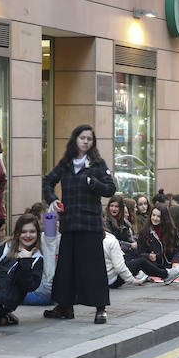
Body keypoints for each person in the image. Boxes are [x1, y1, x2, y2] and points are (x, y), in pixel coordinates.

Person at [42, 124, 117, 324]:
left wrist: (94, 184)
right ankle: (65, 306)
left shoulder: (97, 164)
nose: (85, 141)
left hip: (90, 224)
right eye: (82, 137)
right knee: (66, 267)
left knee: (94, 267)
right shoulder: (66, 164)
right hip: (69, 223)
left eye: (89, 139)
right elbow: (47, 182)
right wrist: (52, 201)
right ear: (75, 139)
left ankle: (100, 308)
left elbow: (111, 188)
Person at [126, 205, 179, 284]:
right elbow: (140, 253)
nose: (155, 218)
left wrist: (175, 261)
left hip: (167, 263)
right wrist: (149, 256)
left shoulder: (172, 231)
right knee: (148, 266)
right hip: (153, 263)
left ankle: (167, 273)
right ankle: (165, 275)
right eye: (153, 215)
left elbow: (178, 250)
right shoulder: (144, 232)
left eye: (158, 216)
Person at [23, 202, 59, 306]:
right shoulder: (36, 238)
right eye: (46, 217)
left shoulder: (47, 237)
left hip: (43, 293)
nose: (50, 220)